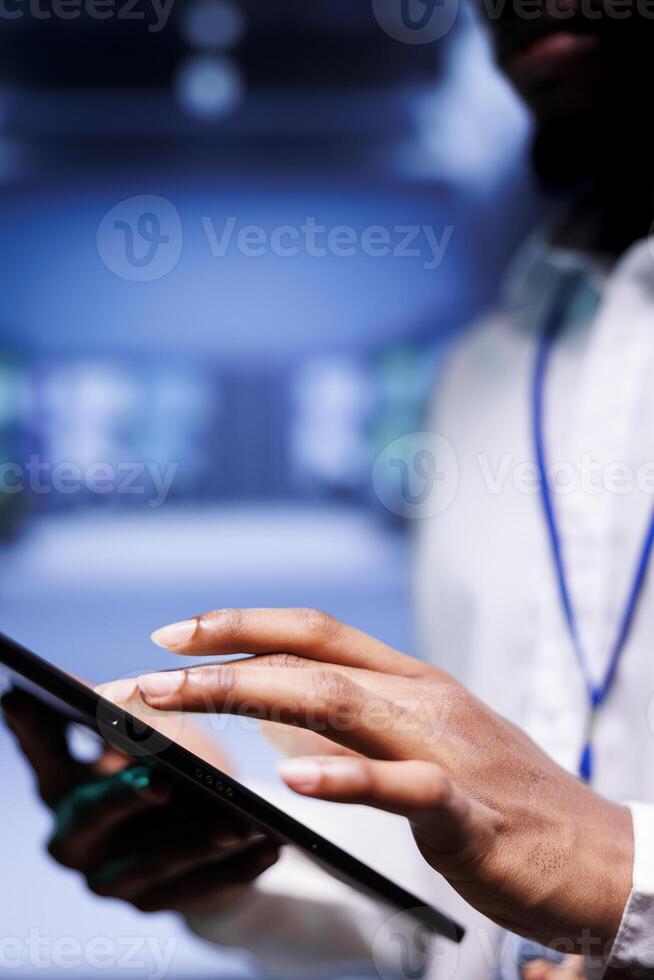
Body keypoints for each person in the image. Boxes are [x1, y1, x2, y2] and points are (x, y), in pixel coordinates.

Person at [4, 0, 654, 976]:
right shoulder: (490, 368)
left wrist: (624, 874)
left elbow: (586, 864)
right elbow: (462, 893)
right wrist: (237, 866)